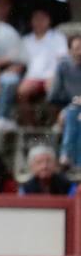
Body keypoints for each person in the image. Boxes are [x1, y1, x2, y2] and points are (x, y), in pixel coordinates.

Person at [0, 9, 69, 127]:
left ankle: (54, 123)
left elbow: (62, 59)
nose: (39, 22)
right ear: (31, 21)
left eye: (42, 19)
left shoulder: (57, 37)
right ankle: (30, 125)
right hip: (32, 76)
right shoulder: (26, 40)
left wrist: (56, 76)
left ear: (49, 21)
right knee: (21, 92)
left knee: (54, 90)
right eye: (36, 19)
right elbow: (20, 61)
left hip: (52, 76)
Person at [50, 34, 81, 167]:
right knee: (74, 113)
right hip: (71, 107)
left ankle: (67, 156)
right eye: (77, 48)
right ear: (70, 51)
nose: (80, 52)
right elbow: (53, 96)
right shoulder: (63, 67)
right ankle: (75, 161)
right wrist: (73, 101)